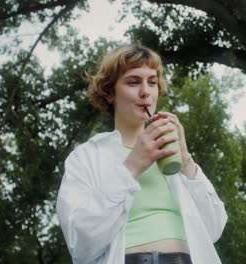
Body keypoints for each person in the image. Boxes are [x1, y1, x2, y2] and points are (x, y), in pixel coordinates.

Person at [56, 44, 228, 264]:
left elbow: (213, 229)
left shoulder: (171, 154)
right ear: (109, 93)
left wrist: (186, 159)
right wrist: (132, 166)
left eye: (152, 82)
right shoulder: (87, 157)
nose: (146, 91)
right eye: (133, 82)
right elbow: (80, 243)